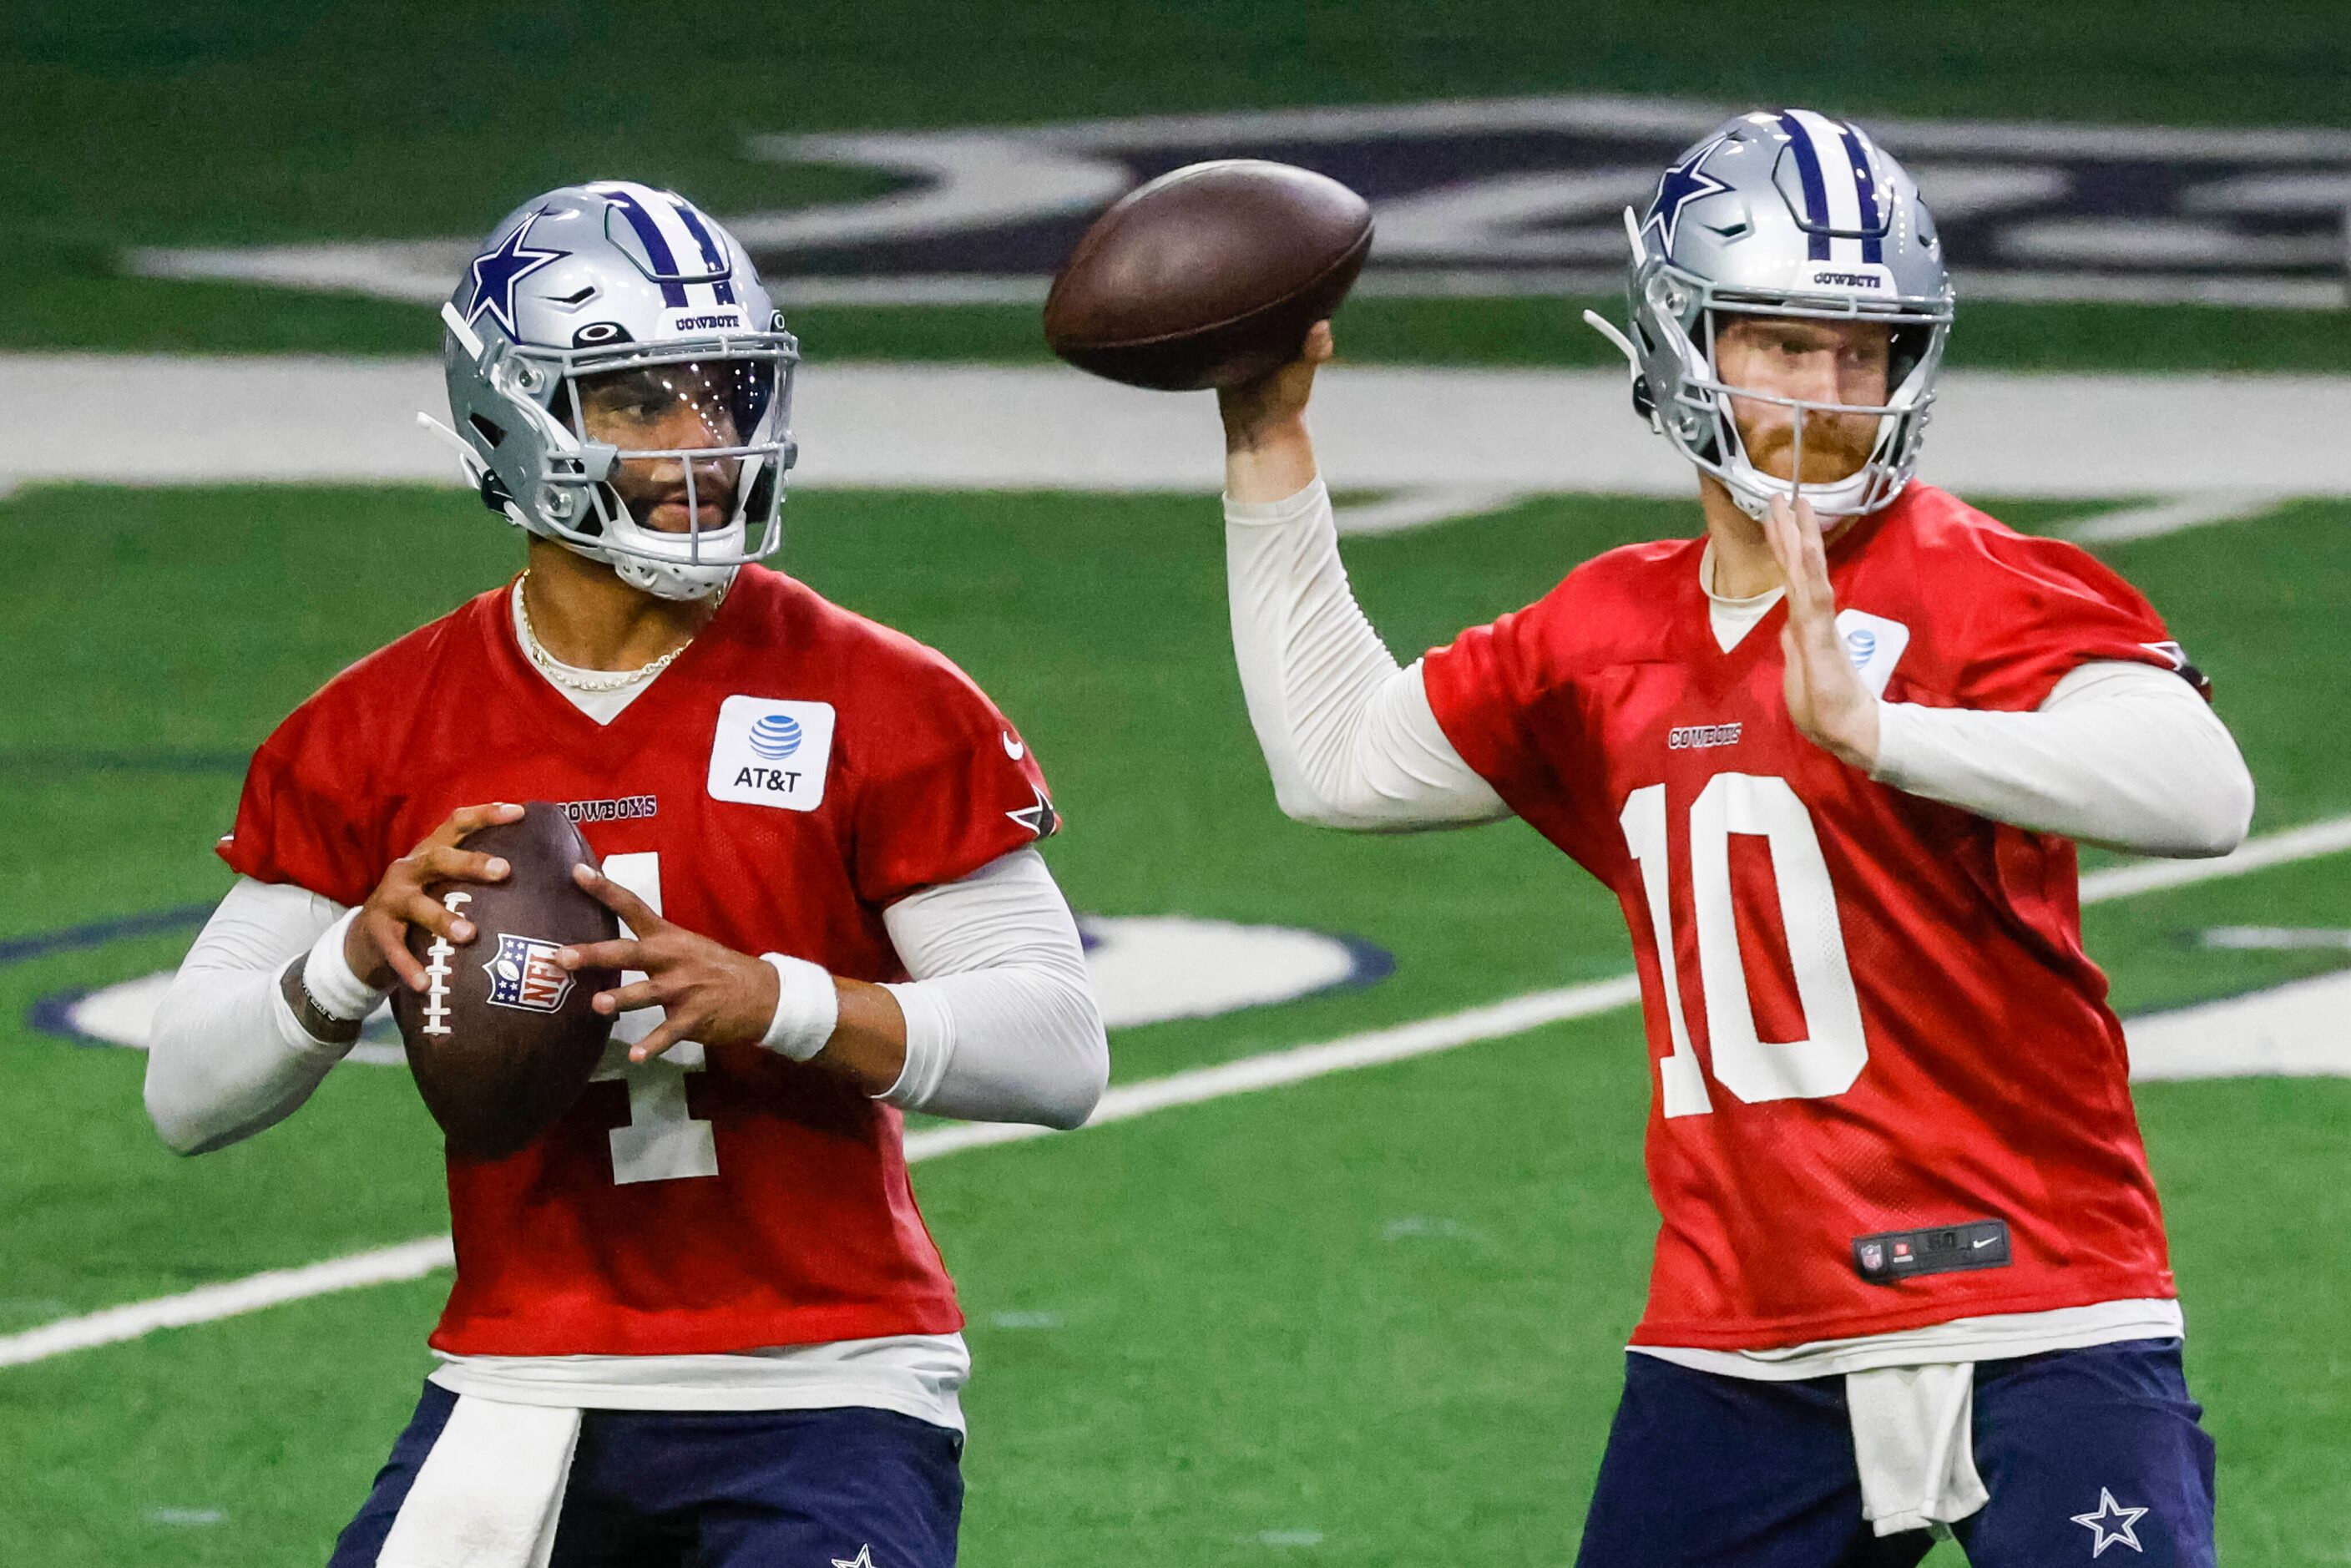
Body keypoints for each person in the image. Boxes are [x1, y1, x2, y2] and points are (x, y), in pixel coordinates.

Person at [1210, 112, 2252, 1566]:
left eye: (1866, 348)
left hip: (2040, 1298)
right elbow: (1336, 761)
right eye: (1784, 342)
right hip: (1745, 1329)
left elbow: (2204, 788)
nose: (1833, 391)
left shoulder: (1985, 584)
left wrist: (1888, 733)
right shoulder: (1606, 630)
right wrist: (1268, 442)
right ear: (1682, 342)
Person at [145, 180, 1107, 1568]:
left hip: (824, 1378)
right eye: (639, 401)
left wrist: (773, 997)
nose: (699, 442)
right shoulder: (374, 728)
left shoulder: (883, 694)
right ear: (507, 417)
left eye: (722, 394)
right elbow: (184, 1094)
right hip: (523, 1378)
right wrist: (355, 952)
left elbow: (1063, 1048)